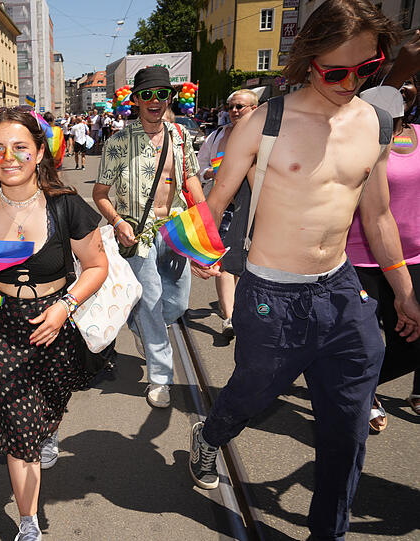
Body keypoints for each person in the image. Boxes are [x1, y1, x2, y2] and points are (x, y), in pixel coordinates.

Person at [187, 3, 420, 539]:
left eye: (365, 68)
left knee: (347, 429)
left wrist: (404, 291)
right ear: (309, 59)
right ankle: (212, 433)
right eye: (335, 71)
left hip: (342, 292)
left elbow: (378, 215)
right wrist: (201, 249)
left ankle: (327, 533)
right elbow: (217, 201)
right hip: (273, 296)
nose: (350, 82)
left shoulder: (376, 123)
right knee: (251, 394)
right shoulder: (265, 122)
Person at [0, 108, 108, 541]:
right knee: (21, 431)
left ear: (39, 152)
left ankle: (46, 431)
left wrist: (64, 308)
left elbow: (96, 266)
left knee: (50, 404)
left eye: (20, 148)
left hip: (57, 318)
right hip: (3, 324)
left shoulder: (66, 205)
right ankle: (29, 523)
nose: (9, 157)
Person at [93, 66, 204, 409]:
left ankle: (141, 326)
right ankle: (160, 377)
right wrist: (116, 221)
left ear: (170, 97)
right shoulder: (118, 142)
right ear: (136, 100)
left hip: (174, 231)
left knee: (178, 303)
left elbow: (192, 184)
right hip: (136, 235)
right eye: (147, 94)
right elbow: (100, 193)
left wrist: (206, 234)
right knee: (154, 305)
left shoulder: (181, 137)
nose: (155, 101)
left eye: (161, 94)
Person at [347, 73, 420, 430]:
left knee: (412, 341)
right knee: (361, 340)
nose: (400, 89)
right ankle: (358, 393)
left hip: (413, 258)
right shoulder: (355, 139)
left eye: (408, 83)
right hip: (358, 256)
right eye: (395, 83)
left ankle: (364, 386)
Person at [196, 89, 259, 336]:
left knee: (247, 265)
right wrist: (209, 174)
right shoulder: (216, 137)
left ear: (254, 108)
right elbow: (199, 167)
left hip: (254, 210)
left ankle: (242, 311)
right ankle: (229, 318)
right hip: (224, 207)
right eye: (230, 106)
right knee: (222, 263)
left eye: (239, 106)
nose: (233, 111)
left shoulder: (266, 138)